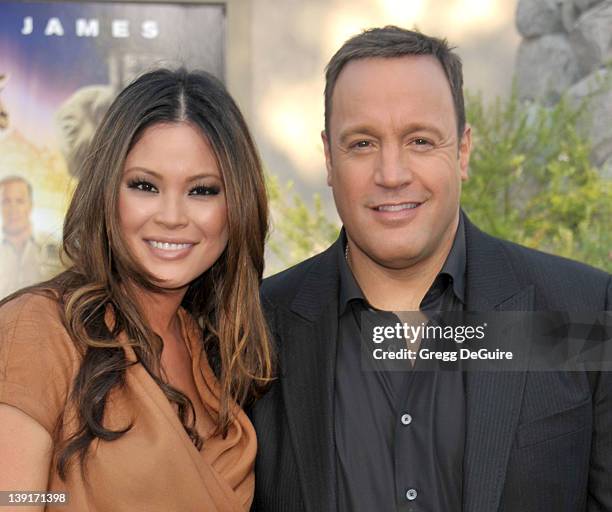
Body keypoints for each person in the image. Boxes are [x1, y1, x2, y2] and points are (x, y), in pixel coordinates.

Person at [250, 27, 612, 511]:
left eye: (420, 140)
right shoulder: (255, 329)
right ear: (329, 158)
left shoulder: (582, 311)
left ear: (462, 151)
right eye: (361, 144)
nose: (392, 174)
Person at [0, 68, 273, 511]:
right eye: (145, 185)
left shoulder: (220, 353)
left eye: (202, 190)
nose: (171, 216)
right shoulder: (39, 330)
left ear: (236, 206)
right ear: (108, 192)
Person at [0, 175, 62, 299]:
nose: (13, 208)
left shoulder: (56, 249)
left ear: (30, 205)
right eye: (6, 201)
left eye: (20, 201)